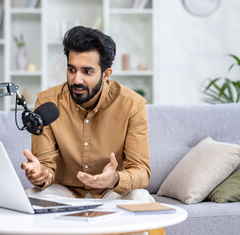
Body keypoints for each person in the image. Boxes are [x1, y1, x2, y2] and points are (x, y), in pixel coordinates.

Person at [21, 26, 154, 202]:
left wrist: (115, 179)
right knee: (29, 198)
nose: (77, 79)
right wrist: (40, 175)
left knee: (140, 197)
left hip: (111, 192)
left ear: (106, 74)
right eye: (72, 69)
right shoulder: (47, 103)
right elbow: (45, 165)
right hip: (66, 193)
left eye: (87, 71)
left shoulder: (132, 105)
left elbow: (141, 171)